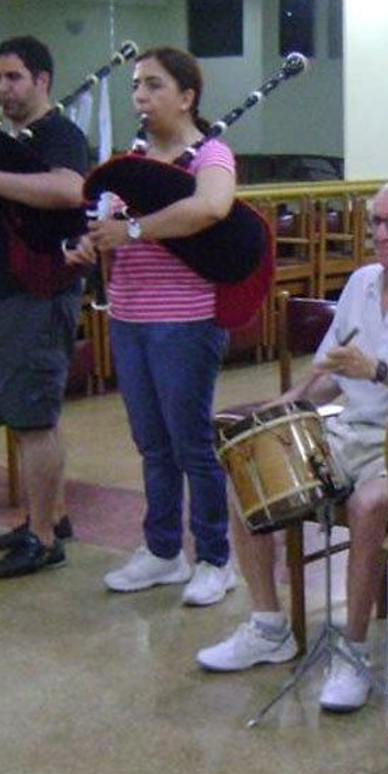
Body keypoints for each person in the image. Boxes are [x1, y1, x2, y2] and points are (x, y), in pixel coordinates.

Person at [194, 176, 388, 713]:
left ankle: (351, 653)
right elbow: (333, 370)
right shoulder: (362, 283)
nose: (383, 233)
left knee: (367, 504)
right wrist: (292, 400)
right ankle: (268, 625)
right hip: (351, 428)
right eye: (377, 221)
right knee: (249, 467)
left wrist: (373, 368)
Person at [67, 47, 237, 606]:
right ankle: (163, 551)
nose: (140, 96)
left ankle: (215, 557)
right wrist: (90, 245)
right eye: (137, 86)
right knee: (152, 444)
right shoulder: (128, 162)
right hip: (130, 317)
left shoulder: (209, 155)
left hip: (185, 319)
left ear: (186, 97)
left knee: (191, 444)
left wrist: (134, 231)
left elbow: (211, 209)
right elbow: (105, 227)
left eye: (154, 85)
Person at [0, 36, 89, 578]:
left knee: (35, 418)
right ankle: (51, 514)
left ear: (42, 80)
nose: (3, 89)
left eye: (14, 78)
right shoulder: (2, 143)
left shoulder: (59, 134)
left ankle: (44, 539)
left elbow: (70, 189)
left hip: (40, 291)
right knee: (26, 416)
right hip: (3, 290)